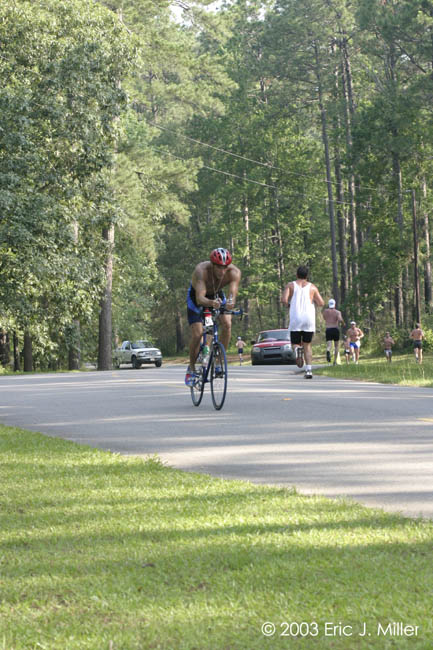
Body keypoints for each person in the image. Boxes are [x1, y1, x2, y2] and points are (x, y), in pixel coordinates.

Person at [185, 248, 241, 386]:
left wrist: (230, 303)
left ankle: (218, 361)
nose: (222, 271)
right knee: (198, 334)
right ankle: (191, 368)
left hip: (217, 295)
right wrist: (211, 303)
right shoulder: (201, 271)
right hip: (198, 298)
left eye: (224, 268)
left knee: (227, 324)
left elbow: (232, 293)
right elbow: (200, 298)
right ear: (212, 265)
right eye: (218, 268)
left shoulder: (234, 272)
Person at [281, 265, 324, 379]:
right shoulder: (312, 287)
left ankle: (297, 349)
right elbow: (321, 303)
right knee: (308, 345)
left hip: (296, 318)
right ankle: (309, 370)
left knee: (295, 343)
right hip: (308, 319)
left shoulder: (290, 285)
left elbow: (284, 300)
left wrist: (289, 305)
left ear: (297, 275)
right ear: (307, 276)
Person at [322, 299, 345, 365]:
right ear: (334, 304)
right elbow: (340, 319)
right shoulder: (337, 312)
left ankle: (328, 350)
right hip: (335, 329)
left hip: (328, 329)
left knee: (329, 344)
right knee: (336, 346)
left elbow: (324, 318)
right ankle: (335, 361)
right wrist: (343, 323)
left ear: (328, 304)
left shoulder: (325, 311)